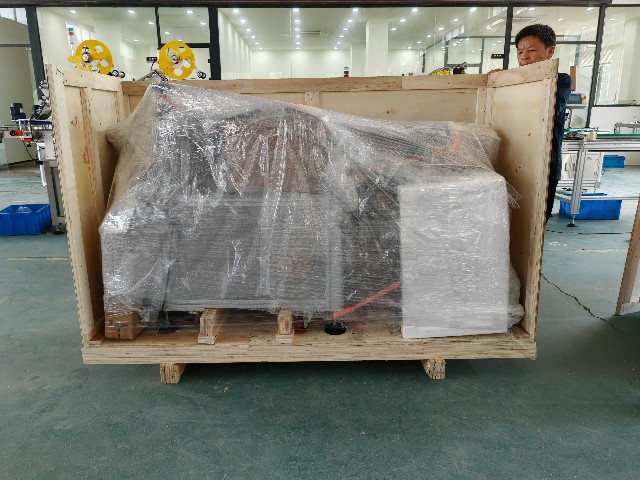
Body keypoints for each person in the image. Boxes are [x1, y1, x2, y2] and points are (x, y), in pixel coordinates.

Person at [489, 24, 572, 224]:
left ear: (549, 51)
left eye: (532, 50)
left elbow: (551, 111)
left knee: (536, 225)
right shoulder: (511, 81)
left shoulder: (561, 80)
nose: (524, 57)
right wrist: (502, 80)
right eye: (520, 52)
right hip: (514, 163)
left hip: (545, 166)